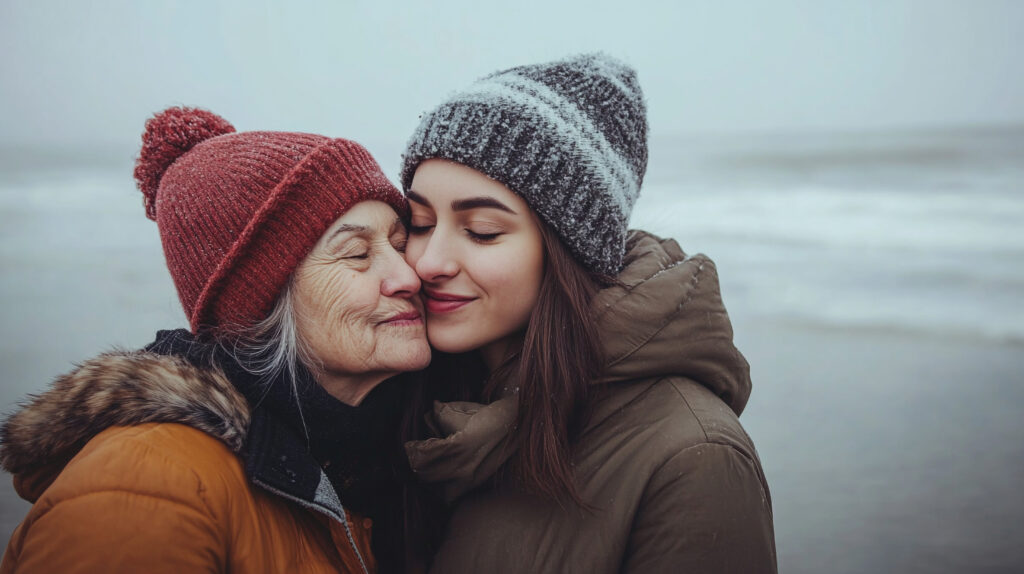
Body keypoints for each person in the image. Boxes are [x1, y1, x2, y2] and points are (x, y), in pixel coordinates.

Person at [0, 107, 430, 573]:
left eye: (401, 243)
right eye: (357, 253)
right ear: (259, 304)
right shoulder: (151, 483)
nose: (407, 275)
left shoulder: (382, 461)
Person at [398, 53, 778, 572]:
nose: (429, 261)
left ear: (570, 249)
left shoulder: (693, 459)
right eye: (419, 223)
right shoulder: (422, 399)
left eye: (481, 231)